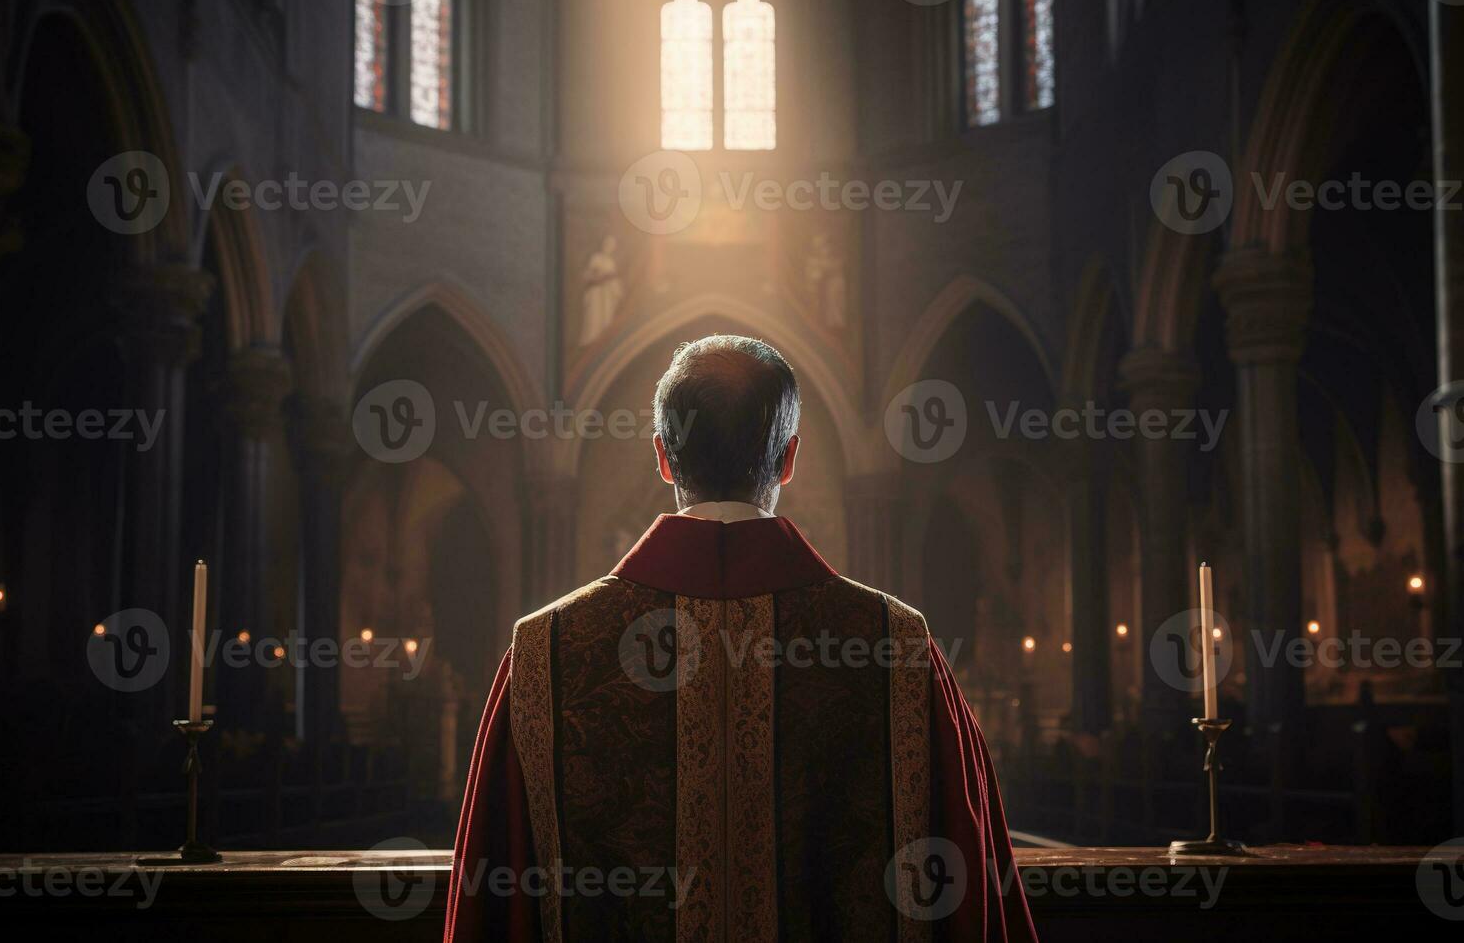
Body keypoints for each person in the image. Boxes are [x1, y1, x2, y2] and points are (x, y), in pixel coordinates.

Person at [444, 335, 1038, 942]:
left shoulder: (547, 651)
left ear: (664, 458)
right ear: (789, 458)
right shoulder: (900, 647)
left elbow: (492, 894)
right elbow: (975, 885)